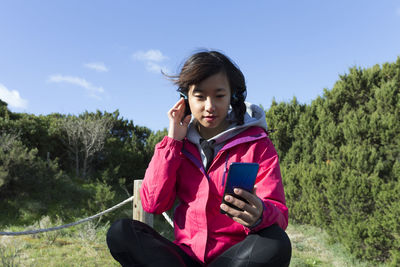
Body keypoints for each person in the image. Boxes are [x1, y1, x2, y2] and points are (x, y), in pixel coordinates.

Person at [106, 50, 292, 266]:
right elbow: (153, 204)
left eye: (219, 95)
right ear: (185, 98)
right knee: (121, 232)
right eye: (200, 96)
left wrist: (260, 214)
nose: (210, 106)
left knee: (277, 242)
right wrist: (172, 142)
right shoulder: (178, 146)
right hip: (185, 258)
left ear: (232, 95)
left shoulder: (257, 144)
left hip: (234, 259)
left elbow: (279, 214)